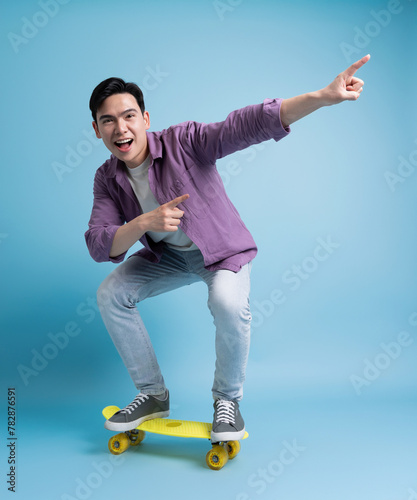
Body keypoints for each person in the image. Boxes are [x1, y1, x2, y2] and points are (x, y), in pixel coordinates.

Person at [85, 54, 370, 442]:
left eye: (129, 116)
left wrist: (321, 97)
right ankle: (152, 395)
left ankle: (228, 402)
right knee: (111, 293)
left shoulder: (184, 141)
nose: (121, 128)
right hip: (167, 258)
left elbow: (244, 124)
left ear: (145, 120)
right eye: (108, 121)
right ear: (97, 130)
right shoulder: (107, 178)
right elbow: (100, 243)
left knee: (227, 303)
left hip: (221, 254)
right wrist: (141, 224)